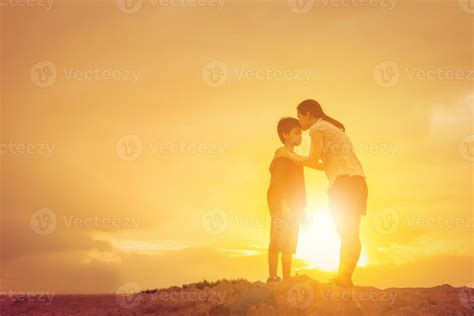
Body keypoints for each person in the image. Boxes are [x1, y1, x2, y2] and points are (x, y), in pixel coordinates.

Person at [276, 99, 368, 288]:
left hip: (344, 184)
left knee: (346, 233)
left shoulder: (317, 129)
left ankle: (344, 279)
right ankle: (345, 278)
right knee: (352, 234)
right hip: (358, 182)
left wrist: (290, 155)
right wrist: (298, 159)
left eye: (300, 117)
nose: (299, 122)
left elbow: (311, 159)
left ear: (308, 115)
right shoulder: (334, 128)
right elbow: (323, 165)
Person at [266, 117, 311, 283]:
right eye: (296, 133)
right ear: (285, 135)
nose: (300, 136)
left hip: (295, 208)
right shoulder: (281, 156)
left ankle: (286, 277)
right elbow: (278, 182)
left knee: (289, 244)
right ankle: (272, 276)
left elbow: (300, 186)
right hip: (282, 207)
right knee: (276, 242)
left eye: (301, 133)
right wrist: (284, 204)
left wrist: (302, 209)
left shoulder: (297, 158)